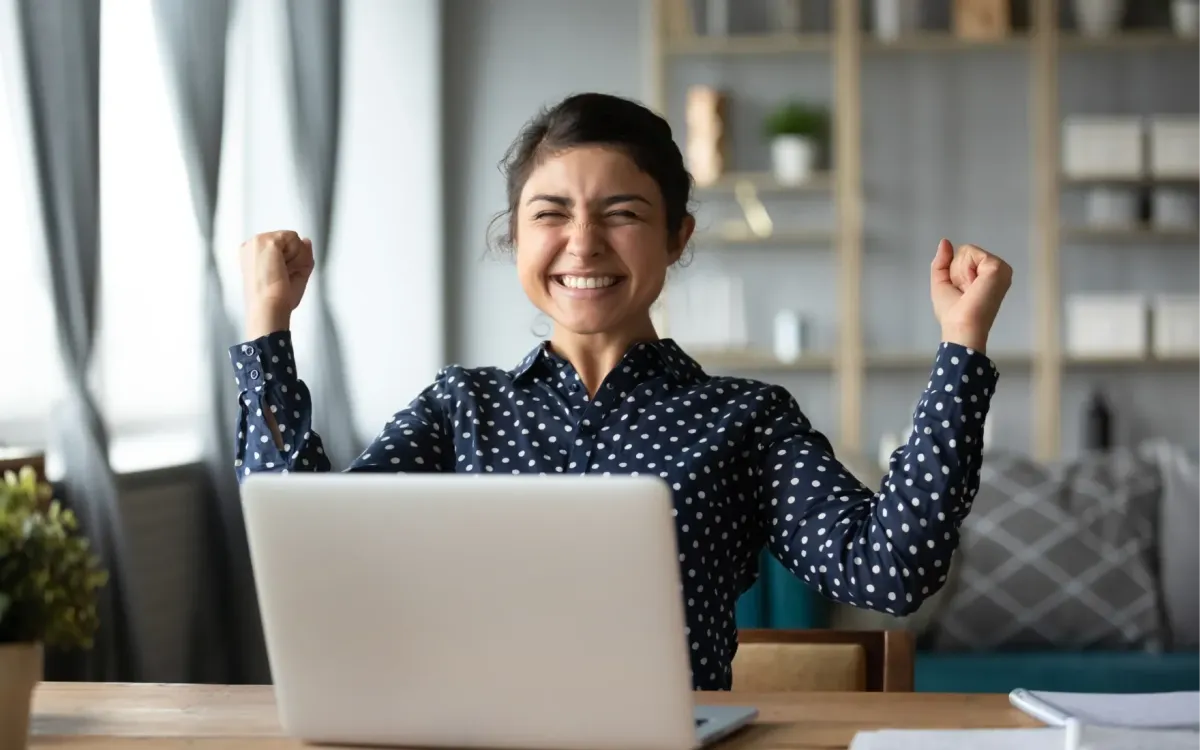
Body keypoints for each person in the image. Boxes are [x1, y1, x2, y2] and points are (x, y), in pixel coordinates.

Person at [230, 92, 1012, 690]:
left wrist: (961, 348)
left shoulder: (746, 419)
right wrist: (268, 326)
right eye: (551, 214)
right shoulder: (459, 408)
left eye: (622, 213)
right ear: (517, 237)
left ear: (678, 235)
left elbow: (892, 569)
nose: (583, 243)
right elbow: (314, 552)